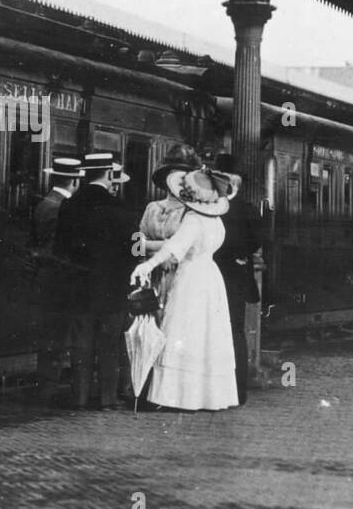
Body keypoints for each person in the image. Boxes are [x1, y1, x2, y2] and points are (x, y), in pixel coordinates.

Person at [131, 168, 239, 411]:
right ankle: (208, 396)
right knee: (207, 335)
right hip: (210, 277)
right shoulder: (216, 221)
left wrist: (147, 265)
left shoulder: (193, 220)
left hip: (190, 277)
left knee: (182, 330)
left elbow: (174, 248)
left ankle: (178, 396)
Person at [54, 151, 136, 410]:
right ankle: (107, 399)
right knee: (109, 345)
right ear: (109, 175)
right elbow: (132, 251)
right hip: (113, 287)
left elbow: (60, 250)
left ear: (85, 174)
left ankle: (79, 397)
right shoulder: (120, 208)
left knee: (81, 344)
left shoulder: (69, 205)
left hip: (79, 286)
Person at [210, 153, 263, 405]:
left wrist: (235, 255)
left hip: (231, 278)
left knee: (233, 331)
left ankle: (237, 390)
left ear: (231, 184)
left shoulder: (246, 210)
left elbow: (256, 241)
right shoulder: (212, 206)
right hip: (217, 274)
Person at [30, 157, 83, 389]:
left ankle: (47, 380)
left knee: (49, 332)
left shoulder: (45, 202)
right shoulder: (63, 206)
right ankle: (50, 384)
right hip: (59, 278)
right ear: (74, 181)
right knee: (58, 333)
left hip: (44, 276)